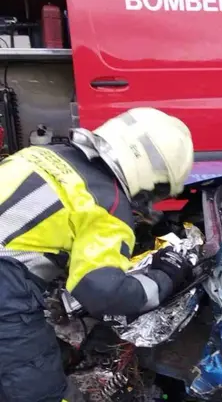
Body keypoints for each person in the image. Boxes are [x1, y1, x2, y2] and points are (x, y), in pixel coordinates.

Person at [0, 107, 194, 401]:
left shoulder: (40, 155)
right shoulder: (105, 202)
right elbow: (103, 293)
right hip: (5, 286)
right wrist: (166, 275)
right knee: (43, 393)